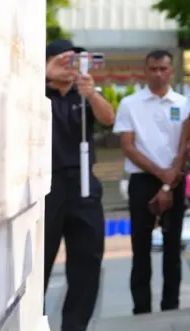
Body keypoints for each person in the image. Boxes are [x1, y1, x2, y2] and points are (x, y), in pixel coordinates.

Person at [113, 50, 190, 315]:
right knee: (140, 247)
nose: (158, 74)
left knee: (172, 246)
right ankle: (141, 308)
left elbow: (186, 143)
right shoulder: (130, 104)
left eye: (163, 69)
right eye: (153, 69)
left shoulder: (183, 103)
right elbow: (128, 147)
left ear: (171, 71)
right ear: (145, 71)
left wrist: (170, 179)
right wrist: (161, 174)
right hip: (142, 180)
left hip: (175, 180)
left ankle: (171, 305)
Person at [43, 39, 116, 331]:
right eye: (63, 61)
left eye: (74, 61)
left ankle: (74, 326)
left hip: (83, 183)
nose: (69, 67)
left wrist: (91, 93)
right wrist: (46, 75)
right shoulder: (36, 92)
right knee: (40, 261)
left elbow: (108, 118)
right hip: (47, 185)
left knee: (87, 262)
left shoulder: (83, 92)